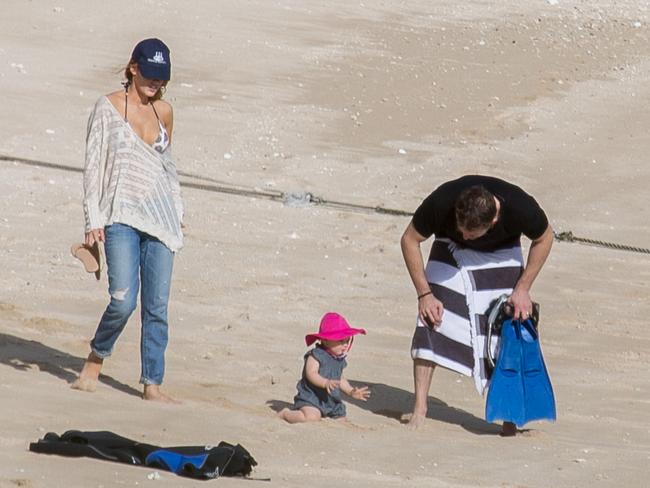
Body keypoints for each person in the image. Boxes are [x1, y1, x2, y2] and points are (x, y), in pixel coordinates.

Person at [71, 38, 184, 402]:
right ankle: (96, 355)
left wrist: (178, 214)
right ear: (133, 68)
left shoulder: (163, 111)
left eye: (161, 77)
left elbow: (168, 169)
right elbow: (93, 167)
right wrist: (92, 219)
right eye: (150, 74)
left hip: (161, 218)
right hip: (119, 215)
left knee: (157, 306)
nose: (155, 83)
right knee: (123, 300)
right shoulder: (107, 107)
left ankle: (153, 383)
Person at [400, 175, 553, 435]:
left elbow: (545, 238)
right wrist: (424, 294)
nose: (466, 234)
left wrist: (523, 288)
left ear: (493, 220)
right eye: (462, 228)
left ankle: (509, 417)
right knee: (429, 320)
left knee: (506, 330)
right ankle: (420, 407)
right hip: (450, 248)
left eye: (470, 233)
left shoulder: (519, 206)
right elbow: (409, 240)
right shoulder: (444, 200)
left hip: (502, 252)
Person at [279, 312, 371, 423]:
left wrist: (350, 391)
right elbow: (311, 373)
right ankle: (286, 414)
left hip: (331, 400)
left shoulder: (338, 359)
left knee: (342, 420)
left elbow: (340, 379)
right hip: (312, 398)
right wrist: (325, 383)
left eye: (347, 341)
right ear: (325, 340)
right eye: (341, 341)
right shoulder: (316, 355)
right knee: (311, 417)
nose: (345, 345)